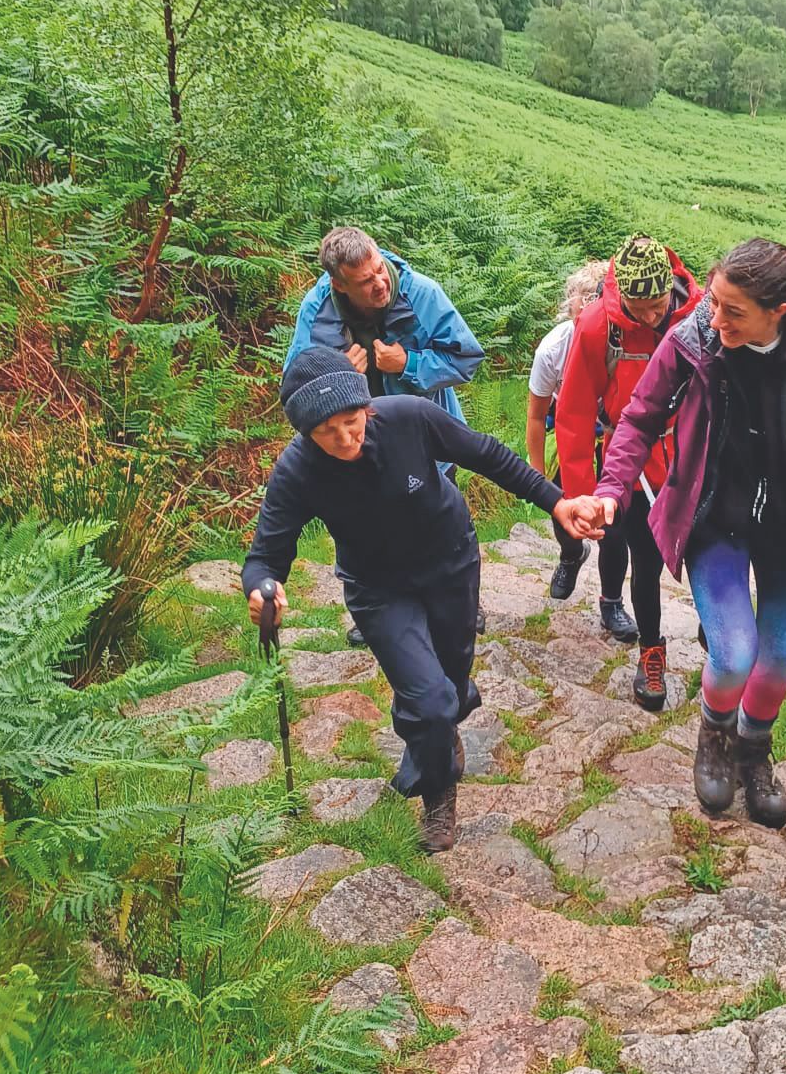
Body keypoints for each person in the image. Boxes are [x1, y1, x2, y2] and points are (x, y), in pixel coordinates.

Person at [243, 346, 600, 852]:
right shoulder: (297, 471)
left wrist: (557, 502)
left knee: (448, 687)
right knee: (431, 703)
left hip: (451, 563)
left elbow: (487, 455)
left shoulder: (409, 417)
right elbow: (264, 558)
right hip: (377, 589)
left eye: (351, 420)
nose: (345, 438)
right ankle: (438, 792)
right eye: (327, 432)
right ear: (305, 432)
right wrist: (262, 591)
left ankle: (436, 734)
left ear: (366, 406)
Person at [589, 238, 786, 826]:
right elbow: (639, 418)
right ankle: (714, 739)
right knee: (733, 655)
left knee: (775, 663)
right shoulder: (694, 337)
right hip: (714, 519)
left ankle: (754, 753)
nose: (713, 317)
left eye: (732, 311)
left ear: (778, 310)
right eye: (714, 302)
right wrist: (609, 491)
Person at [286, 227, 486, 644]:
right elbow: (295, 385)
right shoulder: (317, 309)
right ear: (338, 283)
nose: (379, 282)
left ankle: (461, 600)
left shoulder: (422, 294)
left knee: (440, 520)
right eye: (364, 280)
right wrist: (337, 377)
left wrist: (409, 363)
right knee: (365, 524)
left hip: (423, 435)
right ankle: (375, 610)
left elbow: (466, 358)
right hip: (354, 442)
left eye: (379, 269)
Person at [555, 234, 702, 710]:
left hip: (691, 455)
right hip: (630, 458)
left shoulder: (699, 313)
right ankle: (652, 652)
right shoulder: (600, 325)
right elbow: (574, 413)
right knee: (645, 558)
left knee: (710, 546)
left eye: (658, 307)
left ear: (672, 290)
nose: (650, 318)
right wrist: (582, 497)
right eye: (640, 309)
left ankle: (717, 627)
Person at [526, 260, 610, 598]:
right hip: (567, 425)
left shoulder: (624, 343)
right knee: (561, 503)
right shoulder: (552, 350)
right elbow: (535, 414)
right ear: (571, 305)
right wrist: (537, 477)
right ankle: (572, 554)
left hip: (613, 428)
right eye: (581, 303)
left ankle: (611, 600)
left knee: (612, 517)